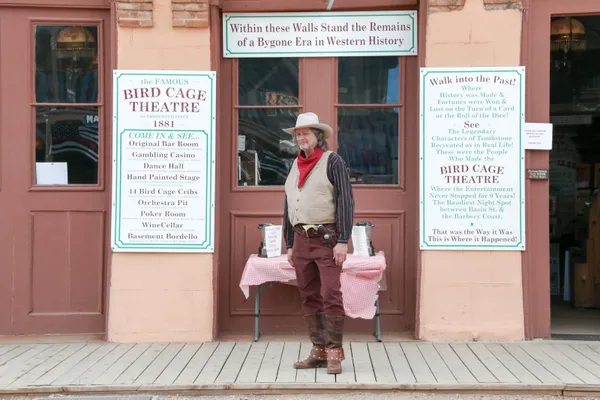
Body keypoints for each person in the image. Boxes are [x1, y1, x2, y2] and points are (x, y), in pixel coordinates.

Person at [282, 112, 355, 375]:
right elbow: (289, 205)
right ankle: (319, 351)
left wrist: (343, 240)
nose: (301, 138)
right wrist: (290, 244)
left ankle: (335, 353)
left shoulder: (332, 161)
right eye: (298, 134)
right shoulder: (294, 164)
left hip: (328, 239)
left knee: (330, 295)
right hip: (301, 240)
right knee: (309, 295)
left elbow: (346, 200)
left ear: (318, 136)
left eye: (306, 133)